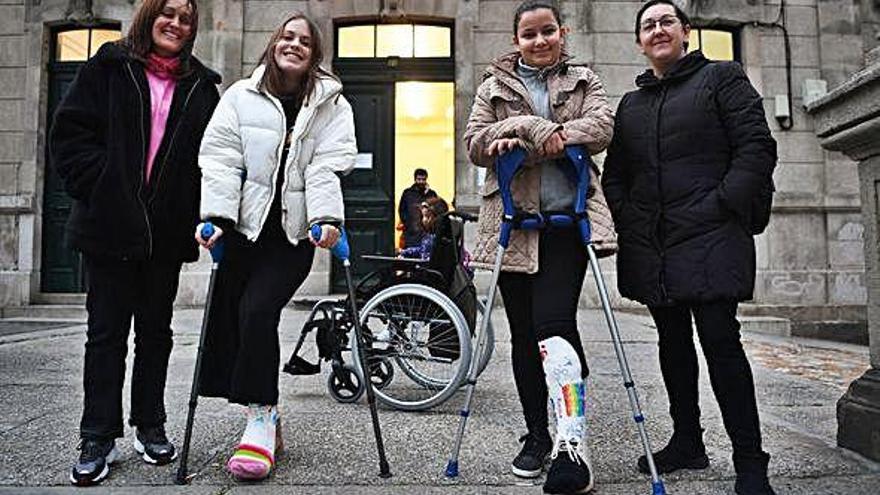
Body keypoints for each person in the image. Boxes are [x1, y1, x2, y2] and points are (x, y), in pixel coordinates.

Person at [601, 2, 778, 494]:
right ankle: (687, 442)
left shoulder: (723, 78)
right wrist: (629, 212)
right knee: (672, 344)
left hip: (711, 233)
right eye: (647, 25)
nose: (657, 30)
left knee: (721, 342)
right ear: (639, 41)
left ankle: (750, 461)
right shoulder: (631, 104)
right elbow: (616, 173)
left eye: (666, 22)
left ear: (685, 32)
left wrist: (723, 204)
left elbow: (756, 147)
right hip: (654, 240)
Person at [49, 0, 220, 486]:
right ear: (149, 17)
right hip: (108, 227)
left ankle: (150, 424)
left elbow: (211, 158)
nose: (176, 24)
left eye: (186, 18)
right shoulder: (109, 65)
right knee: (105, 336)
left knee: (155, 335)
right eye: (168, 13)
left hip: (163, 234)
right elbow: (70, 135)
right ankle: (97, 434)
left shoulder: (201, 87)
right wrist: (101, 185)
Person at [194, 11, 356, 482]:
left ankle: (260, 417)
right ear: (274, 42)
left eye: (305, 41)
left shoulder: (331, 104)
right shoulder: (240, 97)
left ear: (314, 55)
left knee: (258, 311)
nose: (295, 44)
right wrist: (217, 218)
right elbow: (221, 158)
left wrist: (327, 218)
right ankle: (263, 414)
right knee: (234, 315)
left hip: (292, 236)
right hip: (244, 230)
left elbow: (327, 165)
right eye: (287, 36)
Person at [464, 1, 616, 493]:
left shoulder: (584, 79)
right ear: (517, 39)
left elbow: (601, 127)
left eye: (547, 31)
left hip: (567, 224)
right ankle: (537, 435)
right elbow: (474, 142)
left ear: (561, 32)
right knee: (525, 338)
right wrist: (526, 129)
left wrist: (543, 136)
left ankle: (572, 442)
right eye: (529, 34)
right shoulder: (492, 87)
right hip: (513, 223)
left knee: (553, 326)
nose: (539, 40)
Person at [399, 196, 450, 260]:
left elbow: (428, 259)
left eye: (426, 216)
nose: (423, 220)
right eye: (423, 216)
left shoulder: (438, 238)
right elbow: (422, 250)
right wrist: (404, 252)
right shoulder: (430, 235)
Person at [398, 168, 438, 248]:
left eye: (423, 179)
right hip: (411, 232)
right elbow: (402, 209)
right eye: (419, 179)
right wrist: (407, 223)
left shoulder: (431, 194)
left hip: (427, 232)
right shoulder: (407, 193)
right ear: (415, 179)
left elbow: (436, 210)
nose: (421, 182)